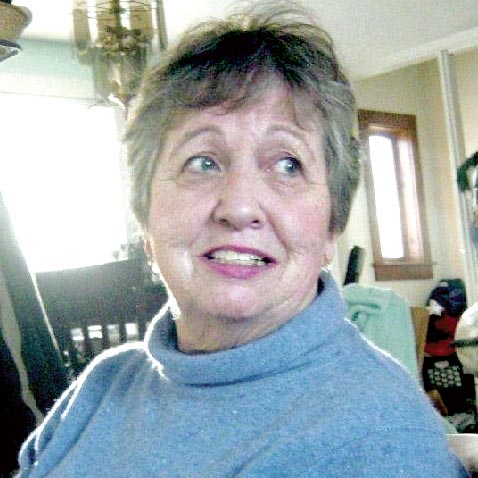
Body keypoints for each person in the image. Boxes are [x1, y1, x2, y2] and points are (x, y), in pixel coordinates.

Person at [17, 2, 469, 477]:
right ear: (145, 219)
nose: (238, 207)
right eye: (202, 162)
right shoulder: (102, 387)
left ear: (331, 227)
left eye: (288, 165)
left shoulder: (380, 441)